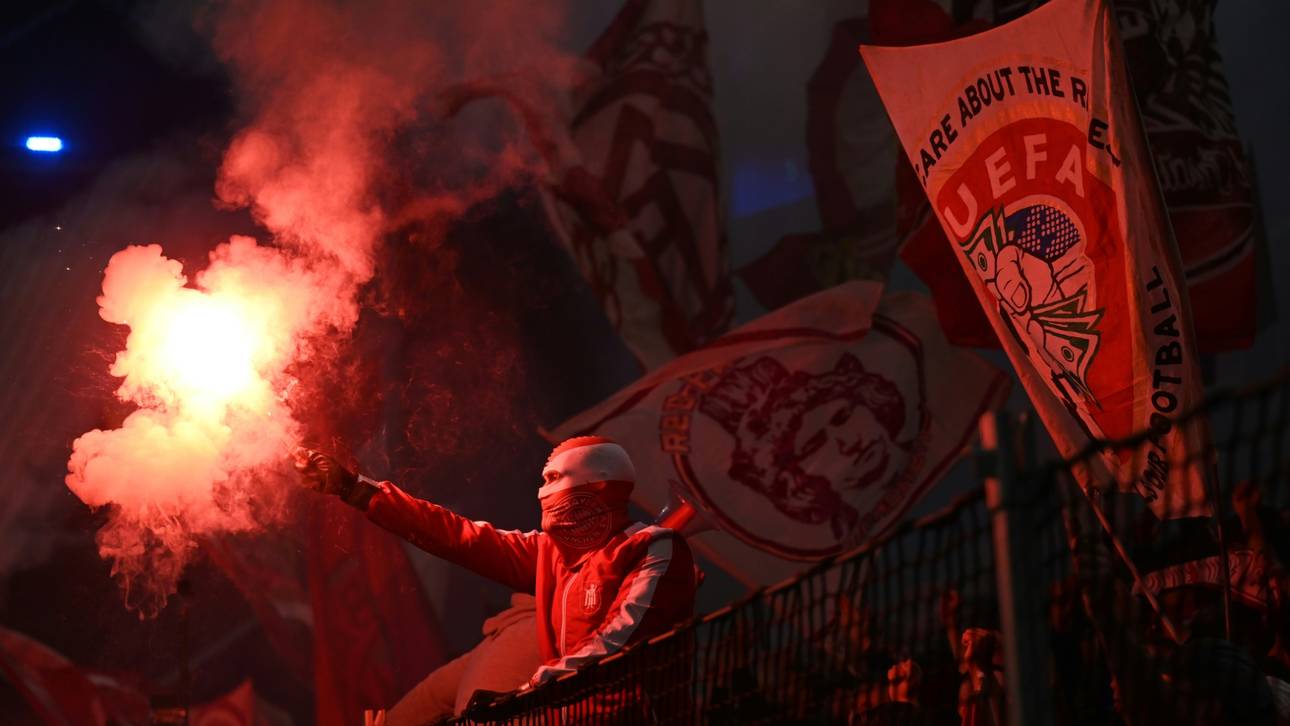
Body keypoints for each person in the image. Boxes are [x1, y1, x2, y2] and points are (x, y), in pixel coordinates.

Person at [294, 435, 699, 718]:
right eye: (543, 480)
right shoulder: (548, 554)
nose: (542, 492)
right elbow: (457, 536)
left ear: (601, 486)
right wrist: (354, 489)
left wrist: (527, 693)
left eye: (555, 479)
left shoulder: (653, 546)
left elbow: (618, 640)